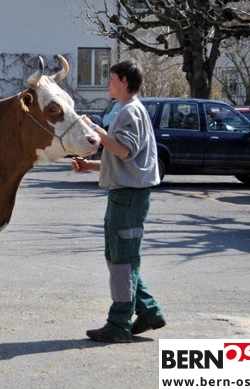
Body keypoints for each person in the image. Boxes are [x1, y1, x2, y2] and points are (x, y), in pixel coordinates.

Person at [71, 60, 165, 343]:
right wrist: (89, 166)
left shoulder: (130, 112)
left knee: (122, 260)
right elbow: (126, 161)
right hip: (127, 195)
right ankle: (148, 311)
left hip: (128, 197)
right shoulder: (129, 110)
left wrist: (96, 131)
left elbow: (123, 151)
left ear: (124, 81)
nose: (107, 83)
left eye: (111, 78)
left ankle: (118, 324)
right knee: (120, 256)